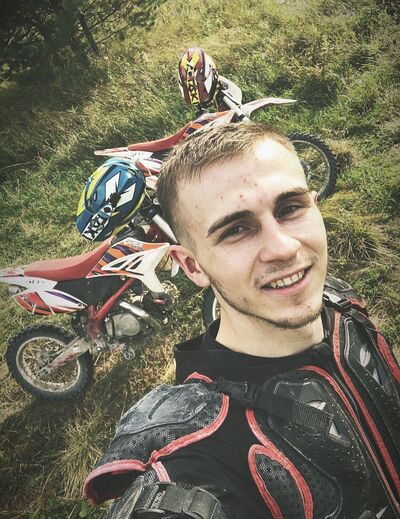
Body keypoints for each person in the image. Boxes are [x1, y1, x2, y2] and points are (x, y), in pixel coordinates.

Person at [84, 122, 400, 518]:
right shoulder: (196, 455)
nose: (283, 248)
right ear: (193, 266)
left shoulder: (341, 303)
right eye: (236, 230)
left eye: (290, 208)